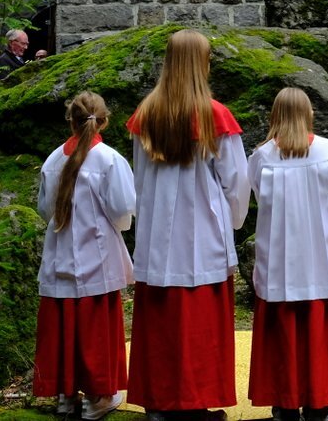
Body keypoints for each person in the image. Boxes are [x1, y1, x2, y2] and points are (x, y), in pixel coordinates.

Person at [125, 28, 251, 421]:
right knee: (201, 323)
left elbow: (139, 180)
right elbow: (236, 181)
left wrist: (147, 223)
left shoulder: (148, 113)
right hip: (202, 232)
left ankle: (159, 403)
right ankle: (195, 404)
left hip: (159, 233)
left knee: (160, 321)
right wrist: (232, 223)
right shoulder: (215, 115)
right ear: (201, 64)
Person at [247, 87, 328, 421]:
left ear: (274, 116)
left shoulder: (262, 157)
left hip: (279, 260)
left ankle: (285, 404)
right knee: (319, 336)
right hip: (319, 257)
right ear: (309, 114)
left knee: (283, 336)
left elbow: (258, 196)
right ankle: (319, 405)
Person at [33, 91, 135, 421]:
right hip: (98, 257)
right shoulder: (109, 160)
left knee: (63, 326)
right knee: (96, 330)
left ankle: (66, 396)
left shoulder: (52, 160)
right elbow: (122, 211)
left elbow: (45, 210)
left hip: (59, 255)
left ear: (70, 121)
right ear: (104, 121)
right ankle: (98, 397)